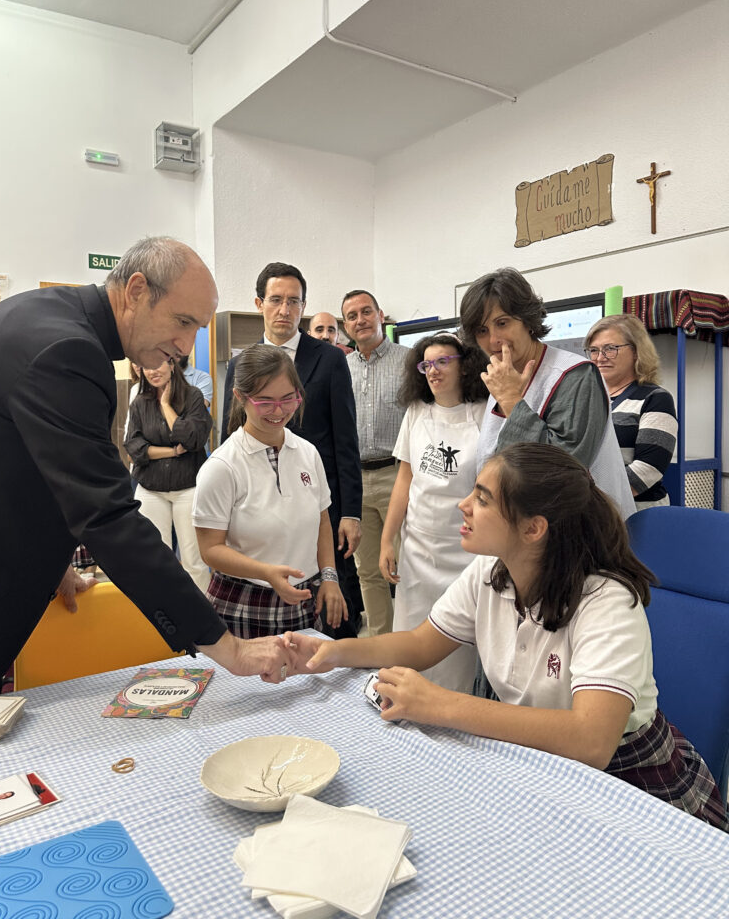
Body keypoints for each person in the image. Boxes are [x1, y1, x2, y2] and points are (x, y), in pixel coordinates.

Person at [286, 443, 728, 832]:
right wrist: (335, 651)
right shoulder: (492, 571)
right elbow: (421, 644)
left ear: (534, 528)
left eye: (481, 498)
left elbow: (590, 741)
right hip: (541, 759)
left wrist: (439, 704)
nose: (463, 505)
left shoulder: (605, 600)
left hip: (630, 779)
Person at [0, 236, 292, 696]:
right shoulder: (66, 351)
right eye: (182, 321)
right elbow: (108, 514)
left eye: (197, 327)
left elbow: (32, 464)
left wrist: (55, 562)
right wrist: (226, 646)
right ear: (136, 290)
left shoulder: (53, 318)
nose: (185, 345)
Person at [221, 263, 363, 639]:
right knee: (265, 595)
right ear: (259, 303)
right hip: (257, 502)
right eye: (276, 300)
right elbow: (228, 433)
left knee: (331, 602)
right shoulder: (241, 364)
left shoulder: (330, 360)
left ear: (304, 307)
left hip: (318, 501)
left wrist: (350, 511)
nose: (285, 310)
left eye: (294, 301)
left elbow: (346, 440)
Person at [459, 268, 635, 519]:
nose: (494, 340)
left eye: (502, 323)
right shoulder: (502, 375)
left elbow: (563, 472)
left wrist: (511, 401)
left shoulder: (575, 375)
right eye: (481, 331)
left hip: (583, 531)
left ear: (527, 321)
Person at [195, 345, 347, 637]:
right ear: (240, 397)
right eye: (265, 402)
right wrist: (266, 572)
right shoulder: (222, 466)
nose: (279, 411)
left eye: (288, 399)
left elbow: (322, 520)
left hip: (303, 600)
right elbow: (210, 550)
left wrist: (329, 576)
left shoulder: (307, 453)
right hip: (242, 603)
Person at [379, 333, 488, 692]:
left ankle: (452, 710)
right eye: (427, 365)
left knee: (459, 644)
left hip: (466, 551)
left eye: (443, 362)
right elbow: (404, 480)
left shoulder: (485, 414)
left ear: (464, 365)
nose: (434, 371)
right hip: (419, 546)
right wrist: (387, 540)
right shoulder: (416, 412)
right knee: (411, 636)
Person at [342, 289, 411, 636]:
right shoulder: (341, 368)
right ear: (346, 326)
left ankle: (413, 642)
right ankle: (382, 644)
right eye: (352, 316)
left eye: (366, 312)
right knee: (367, 570)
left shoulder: (409, 360)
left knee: (406, 568)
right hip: (355, 481)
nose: (360, 320)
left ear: (380, 315)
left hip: (398, 475)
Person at [125, 357, 212, 592]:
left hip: (188, 488)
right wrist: (172, 451)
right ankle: (167, 618)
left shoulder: (193, 396)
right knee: (158, 560)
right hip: (150, 489)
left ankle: (202, 620)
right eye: (146, 366)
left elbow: (193, 439)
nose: (152, 370)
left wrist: (165, 405)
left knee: (194, 561)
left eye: (158, 363)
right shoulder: (139, 402)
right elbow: (134, 448)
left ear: (172, 365)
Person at [584, 314, 677, 509]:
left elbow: (648, 469)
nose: (600, 358)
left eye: (610, 349)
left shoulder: (656, 398)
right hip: (588, 509)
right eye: (594, 350)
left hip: (636, 511)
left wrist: (593, 498)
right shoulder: (586, 398)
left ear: (637, 351)